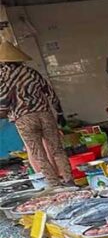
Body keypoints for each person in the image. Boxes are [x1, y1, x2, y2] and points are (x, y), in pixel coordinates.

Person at [0, 41, 73, 187]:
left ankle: (54, 184)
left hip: (24, 119)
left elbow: (3, 102)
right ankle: (69, 180)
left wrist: (4, 114)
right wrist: (59, 113)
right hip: (45, 115)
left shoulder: (2, 76)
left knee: (38, 153)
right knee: (57, 149)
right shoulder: (31, 72)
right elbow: (50, 93)